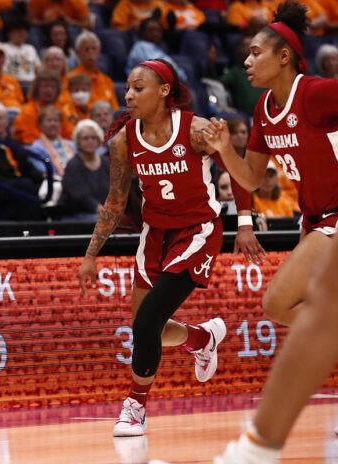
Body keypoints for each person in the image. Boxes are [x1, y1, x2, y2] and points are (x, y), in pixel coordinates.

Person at [78, 58, 262, 438]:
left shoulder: (196, 130)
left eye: (138, 88)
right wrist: (91, 255)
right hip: (154, 234)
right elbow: (114, 202)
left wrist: (244, 222)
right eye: (127, 88)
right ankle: (203, 338)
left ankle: (135, 408)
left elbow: (237, 170)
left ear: (164, 91)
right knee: (147, 329)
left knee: (146, 322)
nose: (128, 94)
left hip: (197, 232)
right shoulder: (123, 141)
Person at [203, 1, 338, 327]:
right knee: (293, 309)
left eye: (256, 53)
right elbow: (249, 178)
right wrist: (224, 149)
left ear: (283, 57)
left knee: (278, 302)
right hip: (313, 219)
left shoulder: (316, 93)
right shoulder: (264, 108)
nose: (246, 61)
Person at [213, 233, 338, 463]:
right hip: (317, 218)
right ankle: (254, 453)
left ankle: (254, 454)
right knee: (295, 303)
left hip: (329, 219)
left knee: (324, 301)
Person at [0, 103, 44, 220]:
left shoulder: (11, 143)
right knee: (25, 185)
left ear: (6, 121)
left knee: (42, 185)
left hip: (18, 185)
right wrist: (16, 182)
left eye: (0, 118)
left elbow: (26, 165)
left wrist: (43, 176)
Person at [59, 119, 110, 220]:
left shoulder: (105, 162)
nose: (90, 141)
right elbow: (80, 197)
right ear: (78, 141)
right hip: (77, 216)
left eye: (93, 138)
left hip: (103, 213)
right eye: (85, 138)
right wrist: (103, 211)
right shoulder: (73, 165)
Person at [65, 31, 119, 110]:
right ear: (78, 53)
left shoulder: (107, 81)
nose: (90, 52)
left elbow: (115, 109)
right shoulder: (70, 79)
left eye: (94, 48)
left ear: (99, 52)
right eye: (86, 49)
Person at [126, 17, 188, 82]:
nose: (155, 33)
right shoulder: (140, 46)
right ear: (142, 32)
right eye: (150, 30)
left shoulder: (161, 49)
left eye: (158, 30)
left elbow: (180, 75)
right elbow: (152, 70)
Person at [14, 70, 65, 144]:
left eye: (53, 86)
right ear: (37, 89)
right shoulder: (27, 111)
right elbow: (28, 138)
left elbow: (68, 135)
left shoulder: (61, 110)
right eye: (45, 86)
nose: (49, 90)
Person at [218, 37, 266, 116]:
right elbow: (217, 84)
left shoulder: (266, 70)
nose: (249, 49)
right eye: (246, 46)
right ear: (240, 49)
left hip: (266, 114)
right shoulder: (235, 71)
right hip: (243, 116)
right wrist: (210, 66)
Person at [28, 104, 74, 177]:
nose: (53, 124)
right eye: (49, 120)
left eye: (56, 120)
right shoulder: (36, 148)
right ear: (40, 125)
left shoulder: (72, 145)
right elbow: (43, 172)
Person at [2, 17, 41, 90]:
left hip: (32, 83)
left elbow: (38, 69)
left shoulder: (30, 48)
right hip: (14, 83)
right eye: (18, 31)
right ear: (9, 33)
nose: (22, 33)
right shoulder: (3, 48)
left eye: (25, 31)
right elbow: (3, 72)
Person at [59, 73, 92, 139]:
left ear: (90, 91)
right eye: (76, 90)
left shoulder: (93, 109)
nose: (80, 94)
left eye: (84, 90)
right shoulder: (65, 111)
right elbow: (69, 133)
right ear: (69, 91)